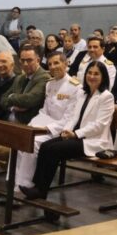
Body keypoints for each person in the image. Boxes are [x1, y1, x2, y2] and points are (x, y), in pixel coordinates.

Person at [19, 61, 116, 200]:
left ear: (103, 77)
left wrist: (76, 133)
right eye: (89, 73)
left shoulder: (106, 96)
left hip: (93, 140)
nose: (92, 76)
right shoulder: (83, 93)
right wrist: (66, 130)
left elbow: (100, 125)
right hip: (76, 135)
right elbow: (74, 117)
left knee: (54, 150)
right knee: (45, 146)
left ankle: (41, 190)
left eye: (96, 74)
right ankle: (37, 186)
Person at [14, 51, 83, 190]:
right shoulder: (49, 84)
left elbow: (70, 118)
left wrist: (47, 129)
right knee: (20, 138)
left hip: (59, 130)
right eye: (50, 64)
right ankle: (14, 181)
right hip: (44, 126)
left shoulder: (75, 87)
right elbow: (44, 111)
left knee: (32, 143)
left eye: (56, 63)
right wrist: (32, 126)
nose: (53, 67)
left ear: (66, 63)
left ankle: (24, 185)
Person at [0, 46, 51, 124]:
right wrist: (13, 107)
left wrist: (11, 96)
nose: (25, 64)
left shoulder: (44, 77)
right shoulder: (20, 78)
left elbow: (29, 100)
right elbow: (3, 99)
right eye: (22, 60)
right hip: (10, 119)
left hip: (27, 123)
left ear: (38, 60)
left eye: (29, 60)